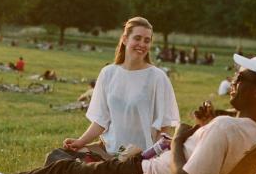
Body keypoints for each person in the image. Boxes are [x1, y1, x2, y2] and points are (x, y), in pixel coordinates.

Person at [0, 54, 256, 174]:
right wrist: (201, 130)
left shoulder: (227, 128)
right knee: (65, 168)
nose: (234, 82)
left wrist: (179, 138)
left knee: (63, 170)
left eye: (242, 78)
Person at [48, 17, 180, 164]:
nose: (142, 44)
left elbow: (164, 127)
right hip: (107, 152)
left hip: (138, 159)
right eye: (137, 38)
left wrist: (153, 159)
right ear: (124, 39)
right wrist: (80, 142)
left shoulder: (158, 77)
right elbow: (101, 121)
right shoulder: (108, 73)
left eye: (147, 40)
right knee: (58, 157)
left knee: (89, 173)